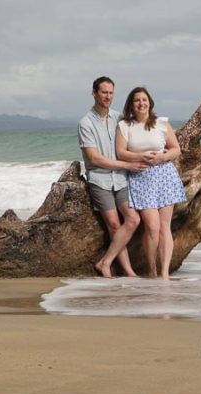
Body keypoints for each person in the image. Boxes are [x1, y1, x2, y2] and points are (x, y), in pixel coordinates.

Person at [78, 76, 147, 278]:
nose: (108, 96)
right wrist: (127, 164)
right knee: (114, 225)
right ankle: (125, 270)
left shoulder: (119, 119)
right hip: (100, 180)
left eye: (110, 93)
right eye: (104, 92)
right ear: (94, 93)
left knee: (133, 219)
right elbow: (94, 158)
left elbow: (142, 126)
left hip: (121, 179)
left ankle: (105, 262)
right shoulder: (85, 123)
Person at [116, 86, 186, 280]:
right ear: (131, 104)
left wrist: (160, 158)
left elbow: (176, 149)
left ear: (150, 102)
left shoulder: (162, 123)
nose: (141, 103)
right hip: (141, 178)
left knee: (165, 226)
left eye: (144, 100)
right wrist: (141, 156)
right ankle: (151, 269)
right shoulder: (125, 126)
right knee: (152, 226)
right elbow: (121, 152)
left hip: (165, 176)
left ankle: (164, 273)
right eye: (137, 100)